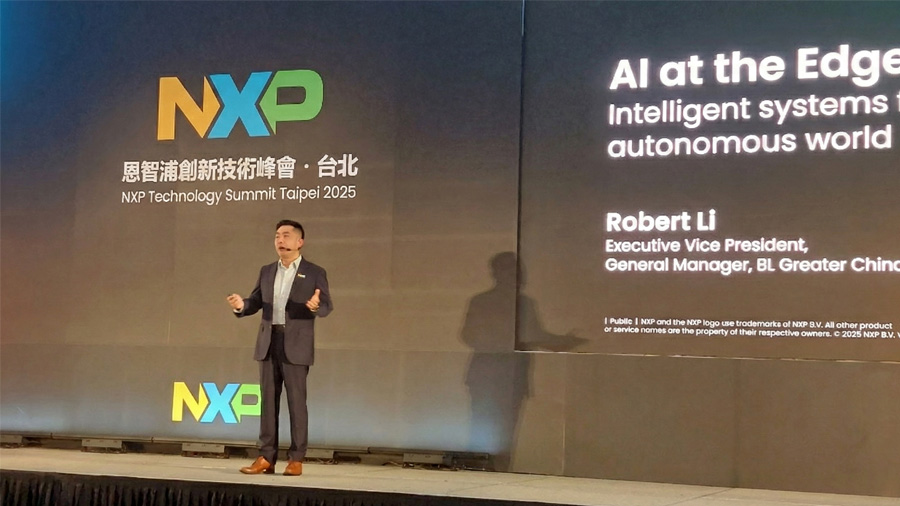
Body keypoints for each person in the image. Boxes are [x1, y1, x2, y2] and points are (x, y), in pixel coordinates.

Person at [226, 219, 332, 476]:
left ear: (300, 241)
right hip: (268, 342)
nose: (280, 240)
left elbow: (326, 305)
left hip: (296, 345)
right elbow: (255, 302)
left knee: (297, 403)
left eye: (286, 235)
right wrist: (241, 305)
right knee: (267, 404)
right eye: (277, 236)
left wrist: (316, 306)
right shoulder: (267, 271)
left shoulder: (314, 272)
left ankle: (296, 458)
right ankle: (266, 457)